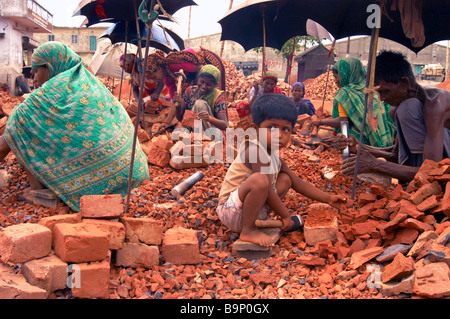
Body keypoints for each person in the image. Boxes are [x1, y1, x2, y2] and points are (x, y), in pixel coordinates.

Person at [0, 41, 149, 212]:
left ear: (50, 66)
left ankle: (39, 192)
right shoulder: (87, 80)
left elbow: (14, 125)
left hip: (103, 184)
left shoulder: (51, 90)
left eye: (36, 71)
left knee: (20, 126)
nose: (33, 78)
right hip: (134, 172)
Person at [216, 94, 347, 247]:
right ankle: (248, 230)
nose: (279, 135)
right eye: (271, 127)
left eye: (285, 129)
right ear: (256, 130)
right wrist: (285, 215)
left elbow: (299, 183)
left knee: (286, 179)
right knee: (260, 179)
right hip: (230, 211)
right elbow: (265, 187)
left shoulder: (275, 158)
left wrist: (328, 198)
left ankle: (255, 221)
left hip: (250, 211)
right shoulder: (254, 150)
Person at [341, 50, 450, 183]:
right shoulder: (397, 108)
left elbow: (432, 173)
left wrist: (375, 165)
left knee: (408, 108)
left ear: (404, 83)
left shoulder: (434, 106)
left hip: (442, 164)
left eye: (385, 91)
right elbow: (395, 154)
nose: (381, 99)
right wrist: (360, 147)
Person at [311, 57, 395, 148]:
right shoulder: (372, 91)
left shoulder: (345, 94)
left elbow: (343, 121)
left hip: (359, 144)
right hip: (383, 143)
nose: (335, 81)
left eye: (336, 77)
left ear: (345, 75)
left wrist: (320, 121)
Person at [173, 64, 228, 132]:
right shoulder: (189, 91)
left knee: (199, 104)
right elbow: (180, 119)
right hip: (192, 131)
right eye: (202, 82)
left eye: (209, 85)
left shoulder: (217, 98)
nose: (204, 86)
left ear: (214, 86)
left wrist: (209, 118)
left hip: (212, 133)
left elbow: (224, 125)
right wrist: (178, 107)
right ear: (197, 79)